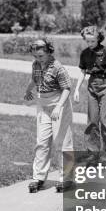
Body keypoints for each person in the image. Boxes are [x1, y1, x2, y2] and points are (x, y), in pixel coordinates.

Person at [24, 38, 74, 193]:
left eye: (41, 56)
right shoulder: (36, 65)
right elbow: (35, 79)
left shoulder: (58, 67)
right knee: (42, 141)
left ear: (49, 52)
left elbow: (66, 88)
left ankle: (66, 178)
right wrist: (28, 90)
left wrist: (59, 107)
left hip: (59, 104)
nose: (38, 59)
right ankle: (38, 177)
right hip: (42, 104)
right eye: (35, 56)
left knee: (61, 141)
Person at [74, 26, 106, 160]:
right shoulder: (85, 53)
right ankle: (93, 152)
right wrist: (76, 89)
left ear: (98, 38)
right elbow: (83, 72)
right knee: (92, 121)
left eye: (92, 41)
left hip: (105, 85)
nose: (90, 44)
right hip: (92, 86)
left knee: (105, 121)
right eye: (87, 41)